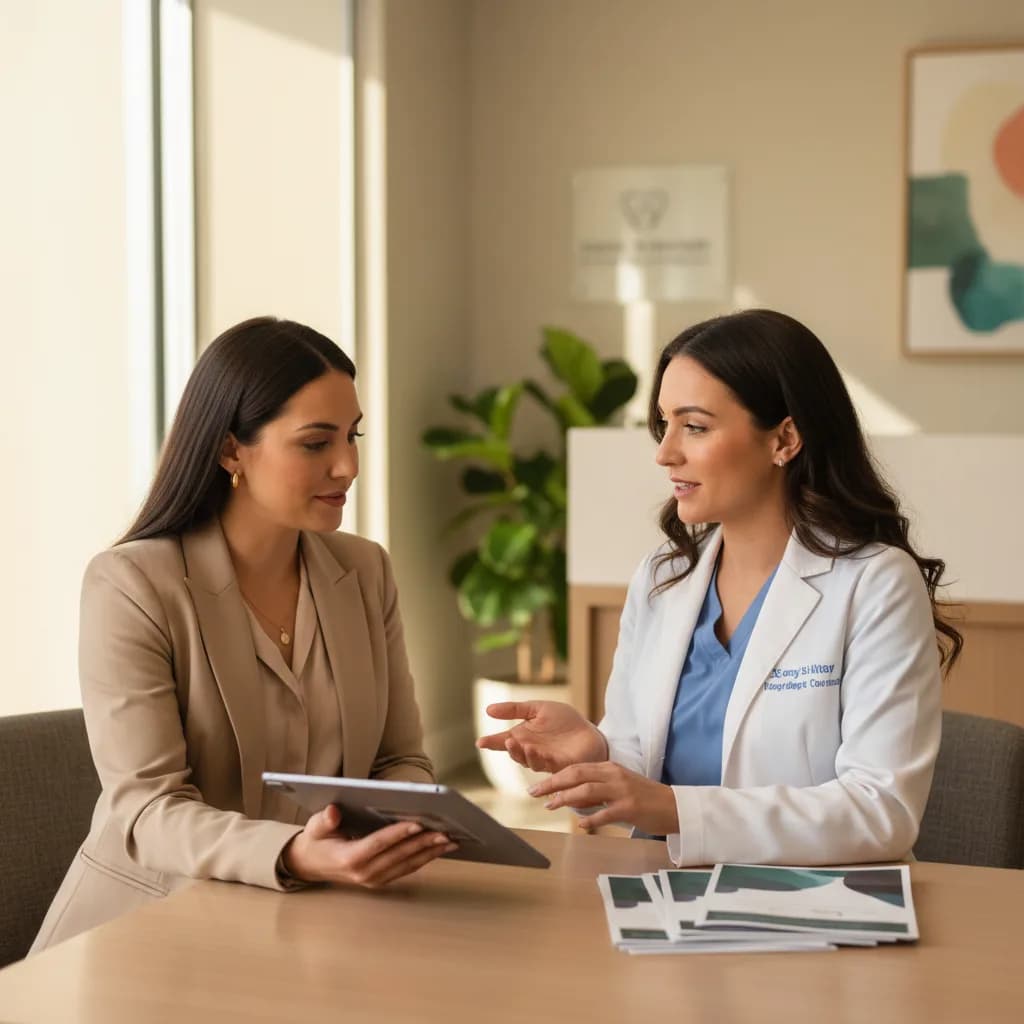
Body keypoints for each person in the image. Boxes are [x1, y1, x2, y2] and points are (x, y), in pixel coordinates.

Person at [479, 309, 962, 867]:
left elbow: (881, 812)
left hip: (817, 906)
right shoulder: (662, 579)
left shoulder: (875, 584)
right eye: (665, 424)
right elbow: (648, 756)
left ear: (784, 438)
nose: (665, 452)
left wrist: (677, 811)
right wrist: (600, 748)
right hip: (664, 891)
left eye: (696, 426)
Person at [33, 317, 451, 952]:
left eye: (353, 436)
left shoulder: (363, 571)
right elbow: (146, 811)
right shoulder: (131, 584)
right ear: (232, 451)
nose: (348, 465)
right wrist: (296, 854)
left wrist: (403, 825)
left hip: (311, 927)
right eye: (316, 443)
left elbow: (400, 760)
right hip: (148, 931)